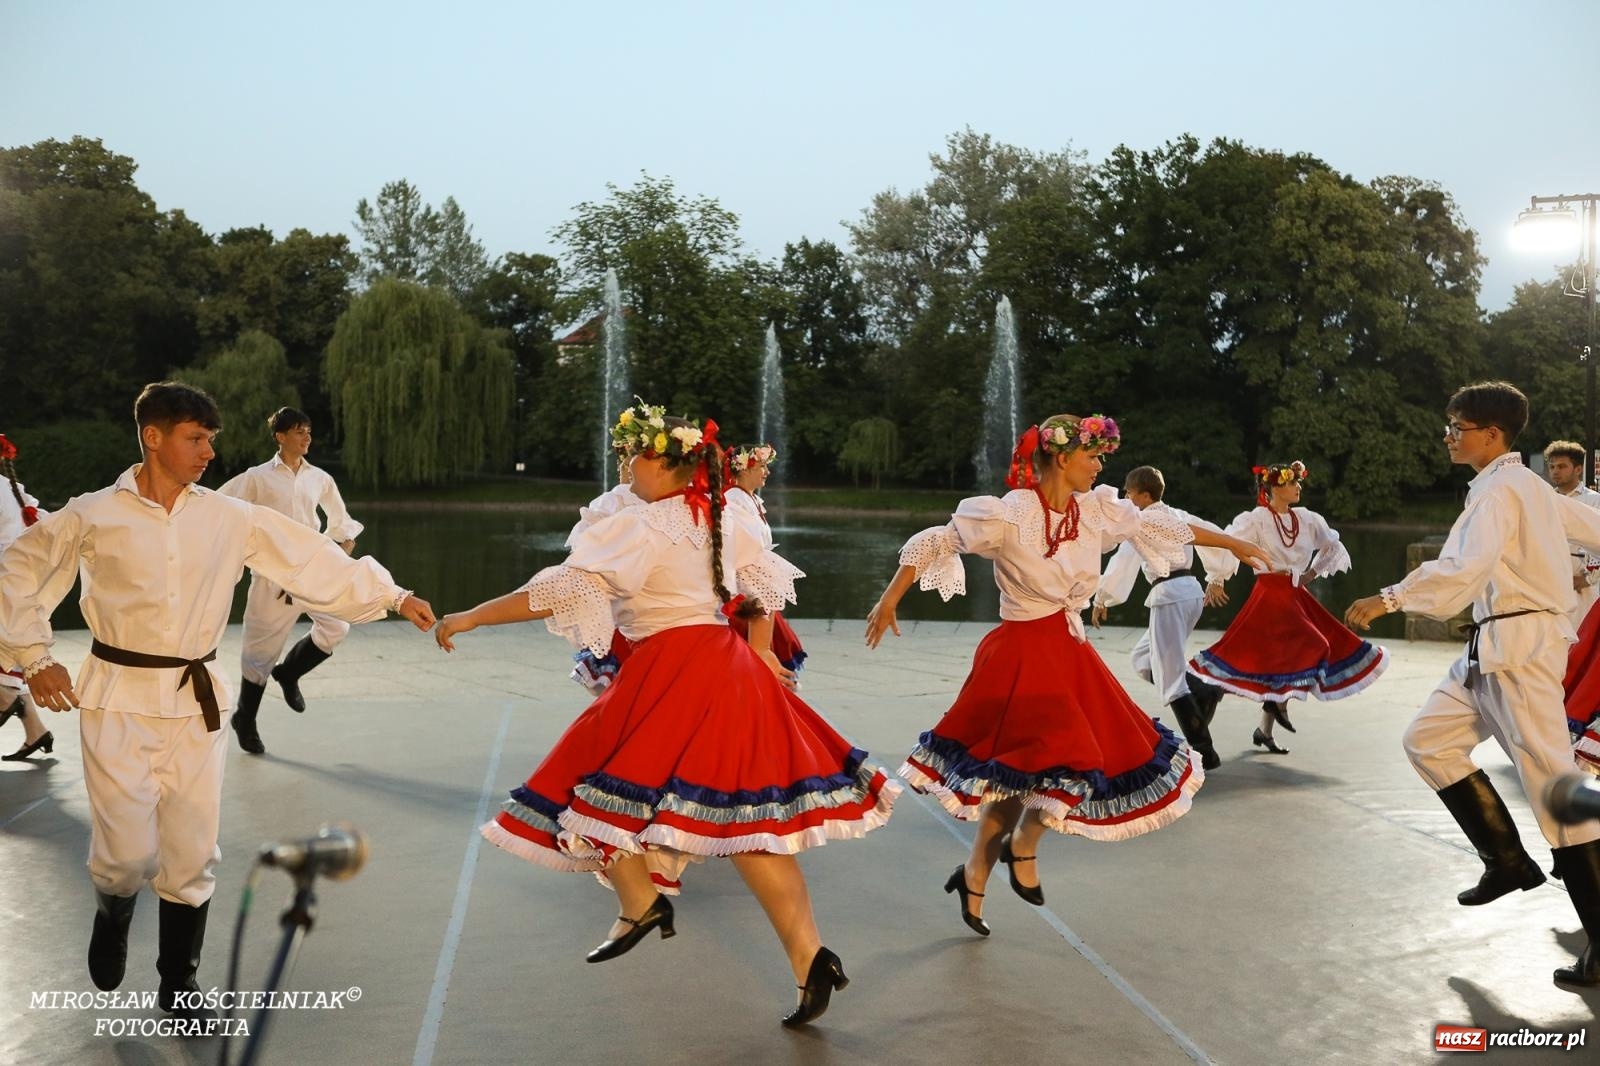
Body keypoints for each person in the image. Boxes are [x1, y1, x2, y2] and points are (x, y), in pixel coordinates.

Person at [436, 404, 898, 1026]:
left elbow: (554, 592)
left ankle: (641, 903)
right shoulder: (721, 515)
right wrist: (758, 659)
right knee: (750, 827)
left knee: (585, 785)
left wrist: (467, 617)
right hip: (727, 667)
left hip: (674, 669)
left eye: (633, 456)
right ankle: (809, 957)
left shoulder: (643, 525)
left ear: (660, 461)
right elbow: (758, 598)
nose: (626, 467)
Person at [0, 382, 436, 1020]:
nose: (208, 451)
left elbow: (309, 556)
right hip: (117, 698)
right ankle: (112, 909)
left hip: (197, 700)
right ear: (153, 436)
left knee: (192, 846)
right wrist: (35, 658)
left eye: (211, 440)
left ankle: (179, 986)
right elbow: (16, 568)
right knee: (126, 854)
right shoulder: (93, 513)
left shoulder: (228, 517)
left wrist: (393, 597)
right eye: (195, 438)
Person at [866, 415, 1268, 935]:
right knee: (1023, 777)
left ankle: (1002, 859)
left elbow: (1167, 526)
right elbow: (938, 541)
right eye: (1093, 456)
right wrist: (890, 597)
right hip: (1020, 657)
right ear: (1062, 458)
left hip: (1069, 652)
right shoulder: (1009, 514)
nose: (1101, 466)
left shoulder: (1096, 511)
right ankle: (996, 863)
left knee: (1052, 772)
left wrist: (1235, 546)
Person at [1346, 381, 1600, 988]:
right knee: (1428, 739)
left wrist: (1390, 598)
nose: (1448, 434)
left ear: (1492, 434)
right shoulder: (1523, 486)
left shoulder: (1502, 491)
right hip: (1492, 646)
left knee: (1556, 792)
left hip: (1520, 650)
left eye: (1456, 425)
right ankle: (1507, 861)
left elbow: (1463, 567)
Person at [1187, 462, 1389, 755]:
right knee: (1313, 645)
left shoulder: (1307, 519)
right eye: (1292, 483)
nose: (1298, 488)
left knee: (1281, 661)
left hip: (1294, 593)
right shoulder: (1256, 519)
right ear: (1274, 488)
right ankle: (1254, 703)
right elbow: (1230, 542)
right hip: (1269, 592)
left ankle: (1264, 729)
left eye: (1298, 482)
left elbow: (1332, 546)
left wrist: (1309, 575)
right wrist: (1217, 579)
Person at [216, 407, 366, 753]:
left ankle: (290, 673)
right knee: (258, 655)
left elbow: (343, 524)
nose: (307, 438)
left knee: (336, 628)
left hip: (312, 571)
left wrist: (338, 552)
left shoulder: (320, 478)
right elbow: (220, 507)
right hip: (272, 576)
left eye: (309, 431)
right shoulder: (257, 477)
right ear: (280, 437)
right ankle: (246, 719)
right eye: (299, 431)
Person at [1091, 465, 1232, 770]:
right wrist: (1216, 576)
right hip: (1190, 593)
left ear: (1143, 495)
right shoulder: (1177, 515)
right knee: (1143, 659)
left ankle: (1204, 752)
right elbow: (1211, 535)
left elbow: (1124, 559)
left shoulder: (1140, 521)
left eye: (1129, 493)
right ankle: (1204, 690)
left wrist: (1103, 597)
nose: (1127, 498)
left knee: (1171, 680)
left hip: (1169, 596)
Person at [564, 448, 644, 695]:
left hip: (614, 603)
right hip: (642, 609)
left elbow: (580, 550)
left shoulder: (613, 500)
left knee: (614, 686)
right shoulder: (663, 502)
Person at [724, 443, 807, 673]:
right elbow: (742, 551)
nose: (767, 472)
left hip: (757, 585)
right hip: (745, 589)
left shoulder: (748, 499)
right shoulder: (732, 501)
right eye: (762, 466)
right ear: (743, 469)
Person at [0, 431, 53, 760]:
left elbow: (11, 549)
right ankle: (37, 731)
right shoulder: (10, 490)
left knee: (5, 678)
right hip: (18, 590)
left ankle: (7, 699)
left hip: (10, 591)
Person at [1543, 440, 1600, 628]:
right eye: (1551, 466)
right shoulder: (1543, 501)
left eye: (1562, 466)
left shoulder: (1594, 501)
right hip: (1549, 589)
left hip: (1586, 591)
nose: (1555, 471)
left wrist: (1588, 579)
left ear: (1578, 469)